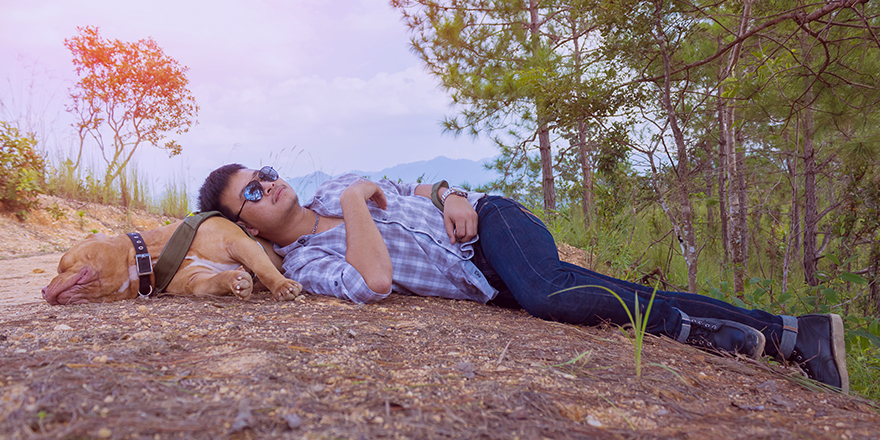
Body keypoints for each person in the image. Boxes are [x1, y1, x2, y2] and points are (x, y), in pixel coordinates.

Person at [198, 164, 848, 392]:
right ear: (247, 228)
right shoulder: (307, 266)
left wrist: (454, 195)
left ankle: (711, 331)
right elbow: (374, 283)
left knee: (548, 292)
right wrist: (348, 209)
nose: (269, 183)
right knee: (570, 288)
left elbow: (415, 187)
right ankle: (796, 334)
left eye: (265, 171)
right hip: (485, 275)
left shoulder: (335, 178)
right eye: (251, 192)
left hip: (489, 223)